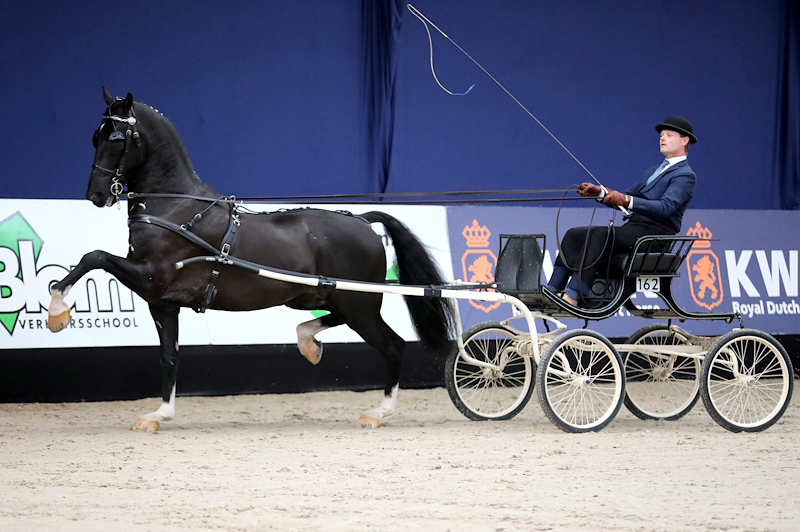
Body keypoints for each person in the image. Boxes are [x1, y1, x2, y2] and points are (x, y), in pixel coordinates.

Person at [546, 116, 697, 306]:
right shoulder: (653, 170)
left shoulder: (685, 175)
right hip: (635, 229)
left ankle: (575, 293)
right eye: (661, 135)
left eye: (669, 135)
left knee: (600, 235)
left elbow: (665, 207)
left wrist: (625, 200)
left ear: (684, 140)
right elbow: (625, 197)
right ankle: (553, 288)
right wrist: (600, 193)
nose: (662, 138)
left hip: (655, 235)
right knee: (574, 234)